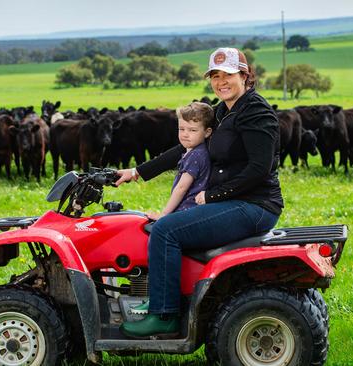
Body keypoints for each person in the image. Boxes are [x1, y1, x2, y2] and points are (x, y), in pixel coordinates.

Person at [116, 47, 284, 338]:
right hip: (235, 201)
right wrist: (136, 172)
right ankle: (163, 295)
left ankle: (164, 314)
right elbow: (186, 147)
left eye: (228, 75)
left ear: (244, 75)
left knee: (165, 230)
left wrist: (213, 196)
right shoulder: (222, 111)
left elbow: (260, 168)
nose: (221, 82)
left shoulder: (256, 112)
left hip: (254, 206)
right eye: (215, 76)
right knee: (154, 226)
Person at [130, 102, 213, 316]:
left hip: (186, 212)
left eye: (193, 130)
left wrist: (164, 214)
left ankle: (161, 302)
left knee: (158, 238)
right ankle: (155, 297)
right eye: (181, 129)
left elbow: (182, 187)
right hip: (187, 210)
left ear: (208, 132)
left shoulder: (197, 154)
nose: (185, 135)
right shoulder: (190, 151)